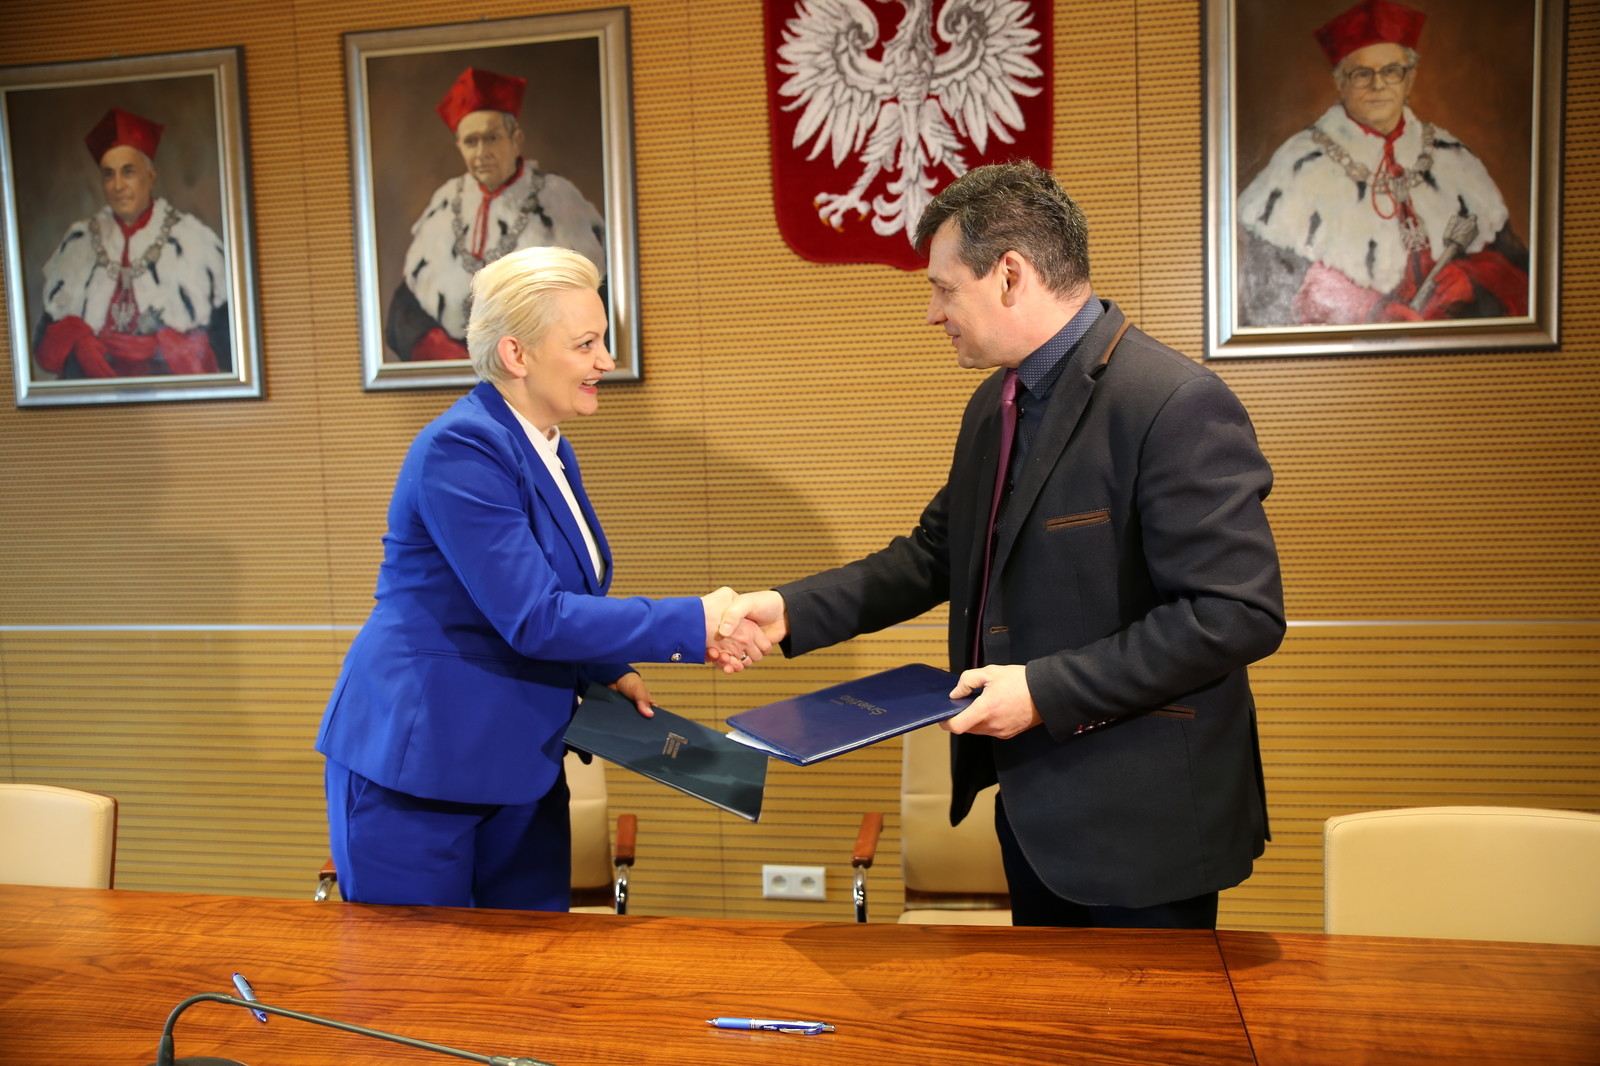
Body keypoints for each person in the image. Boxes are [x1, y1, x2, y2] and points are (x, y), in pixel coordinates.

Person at [717, 161, 1285, 929]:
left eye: (944, 289)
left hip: (1145, 826)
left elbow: (1234, 615)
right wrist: (788, 610)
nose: (932, 314)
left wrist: (1044, 690)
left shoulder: (1173, 403)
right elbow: (934, 554)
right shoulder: (997, 402)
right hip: (1034, 811)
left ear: (1010, 275)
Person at [318, 246, 767, 910]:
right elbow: (533, 615)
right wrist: (697, 620)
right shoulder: (460, 448)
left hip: (521, 763)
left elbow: (553, 594)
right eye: (586, 344)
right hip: (421, 770)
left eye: (603, 341)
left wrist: (607, 669)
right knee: (417, 974)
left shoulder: (547, 446)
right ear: (516, 354)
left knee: (531, 968)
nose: (605, 361)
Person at [1236, 0, 1528, 326]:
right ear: (1340, 82)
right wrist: (1370, 312)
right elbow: (1266, 291)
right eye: (1362, 74)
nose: (1378, 85)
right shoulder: (1300, 163)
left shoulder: (1453, 157)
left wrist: (1471, 279)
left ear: (1410, 78)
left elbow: (1515, 268)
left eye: (1391, 71)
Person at [385, 67, 609, 362]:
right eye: (471, 142)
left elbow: (591, 302)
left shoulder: (559, 201)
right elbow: (405, 308)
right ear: (459, 146)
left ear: (516, 139)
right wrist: (442, 351)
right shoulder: (444, 202)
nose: (481, 153)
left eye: (492, 138)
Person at [34, 106, 229, 378]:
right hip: (91, 394)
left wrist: (161, 347)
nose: (118, 186)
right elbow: (42, 350)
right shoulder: (80, 241)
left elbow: (227, 352)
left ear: (150, 177)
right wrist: (77, 343)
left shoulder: (192, 241)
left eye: (128, 172)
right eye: (108, 174)